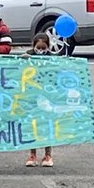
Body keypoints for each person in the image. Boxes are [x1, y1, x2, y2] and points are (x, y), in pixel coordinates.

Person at [24, 32, 55, 168]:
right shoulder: (29, 56)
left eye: (43, 48)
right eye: (38, 48)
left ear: (48, 47)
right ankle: (32, 154)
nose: (41, 50)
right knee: (33, 125)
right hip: (32, 97)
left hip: (47, 97)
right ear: (34, 46)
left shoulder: (52, 59)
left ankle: (48, 155)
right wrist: (22, 61)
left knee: (47, 125)